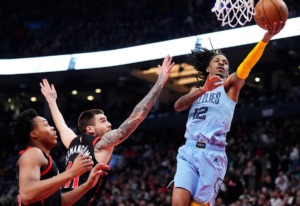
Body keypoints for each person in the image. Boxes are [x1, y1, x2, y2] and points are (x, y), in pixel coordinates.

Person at [171, 22, 285, 206]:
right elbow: (178, 106)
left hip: (212, 154)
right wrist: (201, 91)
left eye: (225, 62)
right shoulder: (197, 90)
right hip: (188, 151)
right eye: (218, 60)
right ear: (208, 68)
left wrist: (265, 40)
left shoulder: (230, 86)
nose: (222, 63)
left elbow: (245, 67)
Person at [40, 55, 175, 205]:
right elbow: (136, 116)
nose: (109, 124)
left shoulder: (72, 142)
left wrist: (52, 101)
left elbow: (61, 125)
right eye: (103, 121)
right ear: (90, 128)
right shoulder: (100, 144)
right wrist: (159, 83)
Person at [10, 108, 110, 206]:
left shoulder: (45, 159)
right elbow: (27, 195)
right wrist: (72, 172)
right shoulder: (33, 153)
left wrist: (88, 185)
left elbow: (59, 203)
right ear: (34, 134)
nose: (52, 127)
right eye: (46, 125)